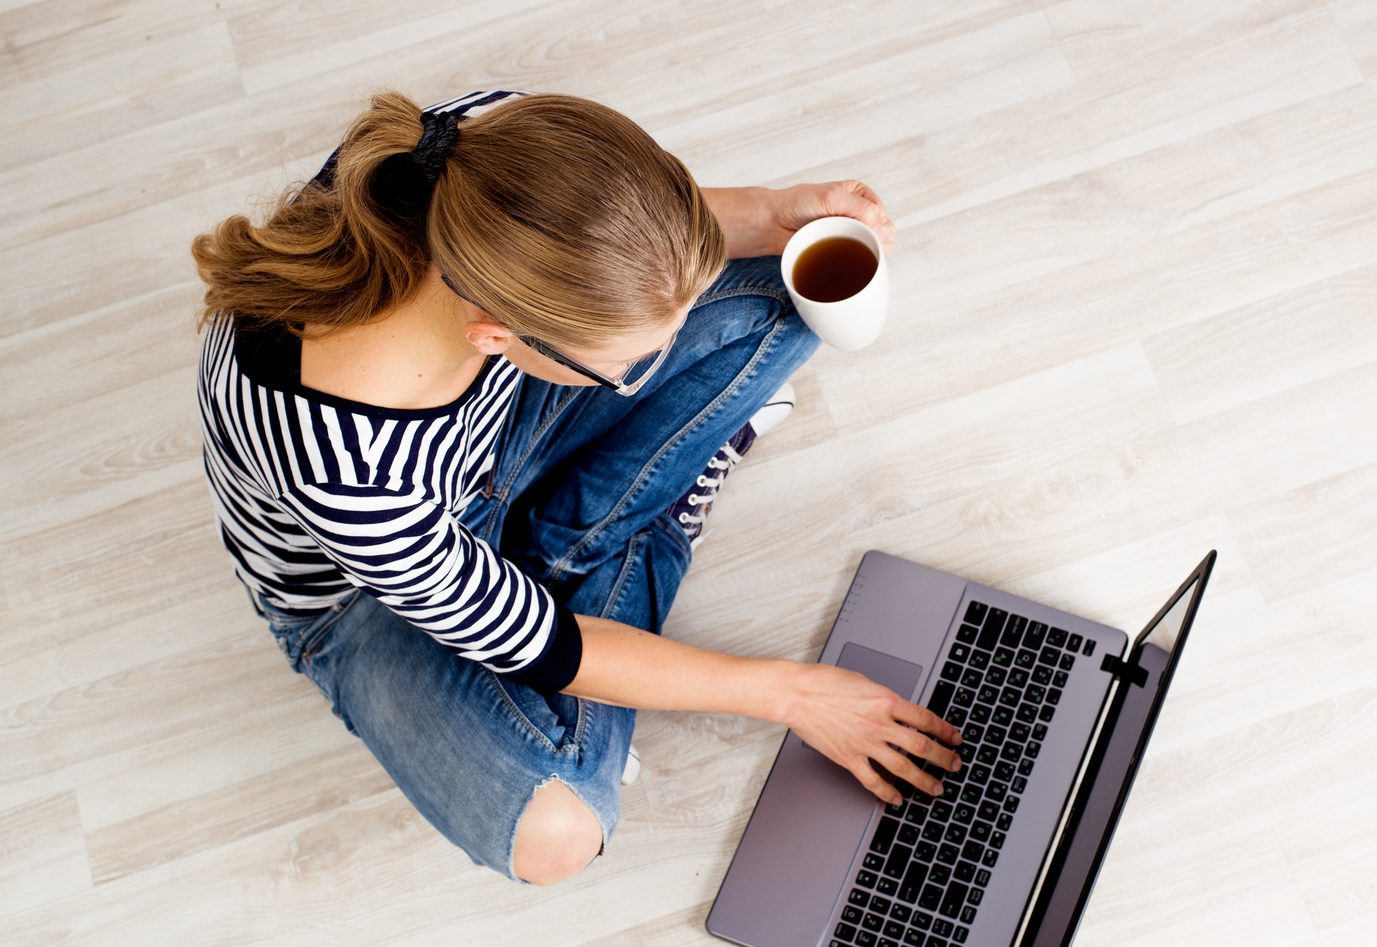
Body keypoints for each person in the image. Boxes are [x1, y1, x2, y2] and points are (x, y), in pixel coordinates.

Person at [192, 89, 960, 885]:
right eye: (622, 368)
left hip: (484, 438)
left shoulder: (475, 148)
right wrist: (796, 696)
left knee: (791, 276)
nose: (635, 379)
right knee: (558, 829)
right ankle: (642, 528)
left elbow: (622, 240)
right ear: (494, 332)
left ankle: (611, 524)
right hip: (365, 602)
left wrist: (774, 214)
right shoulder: (347, 476)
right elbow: (548, 647)